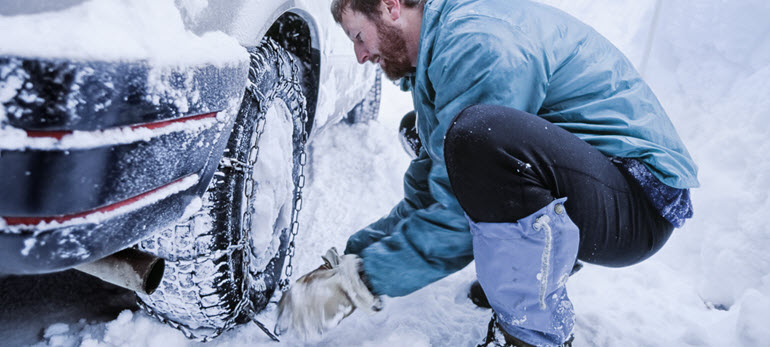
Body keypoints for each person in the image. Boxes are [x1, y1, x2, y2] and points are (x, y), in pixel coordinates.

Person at [276, 0, 699, 345]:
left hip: (638, 200)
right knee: (451, 139)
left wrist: (361, 283)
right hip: (600, 182)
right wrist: (353, 256)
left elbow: (457, 213)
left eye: (358, 36)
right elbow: (431, 193)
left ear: (390, 7)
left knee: (478, 141)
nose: (361, 54)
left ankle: (533, 335)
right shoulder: (442, 49)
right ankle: (523, 267)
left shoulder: (477, 43)